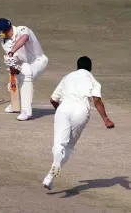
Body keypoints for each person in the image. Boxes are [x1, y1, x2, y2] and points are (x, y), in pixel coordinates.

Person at [42, 56, 115, 190]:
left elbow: (53, 99)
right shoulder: (93, 80)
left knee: (59, 144)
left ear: (77, 66)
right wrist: (105, 119)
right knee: (69, 147)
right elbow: (97, 101)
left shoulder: (67, 77)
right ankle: (50, 177)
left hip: (64, 108)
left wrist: (61, 113)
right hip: (80, 111)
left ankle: (53, 169)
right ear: (90, 67)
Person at [0, 18, 49, 121]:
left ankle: (26, 111)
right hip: (24, 64)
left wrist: (11, 53)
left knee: (26, 73)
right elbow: (16, 60)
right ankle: (15, 104)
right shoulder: (5, 42)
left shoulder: (22, 30)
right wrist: (12, 65)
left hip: (38, 61)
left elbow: (24, 38)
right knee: (12, 84)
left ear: (4, 31)